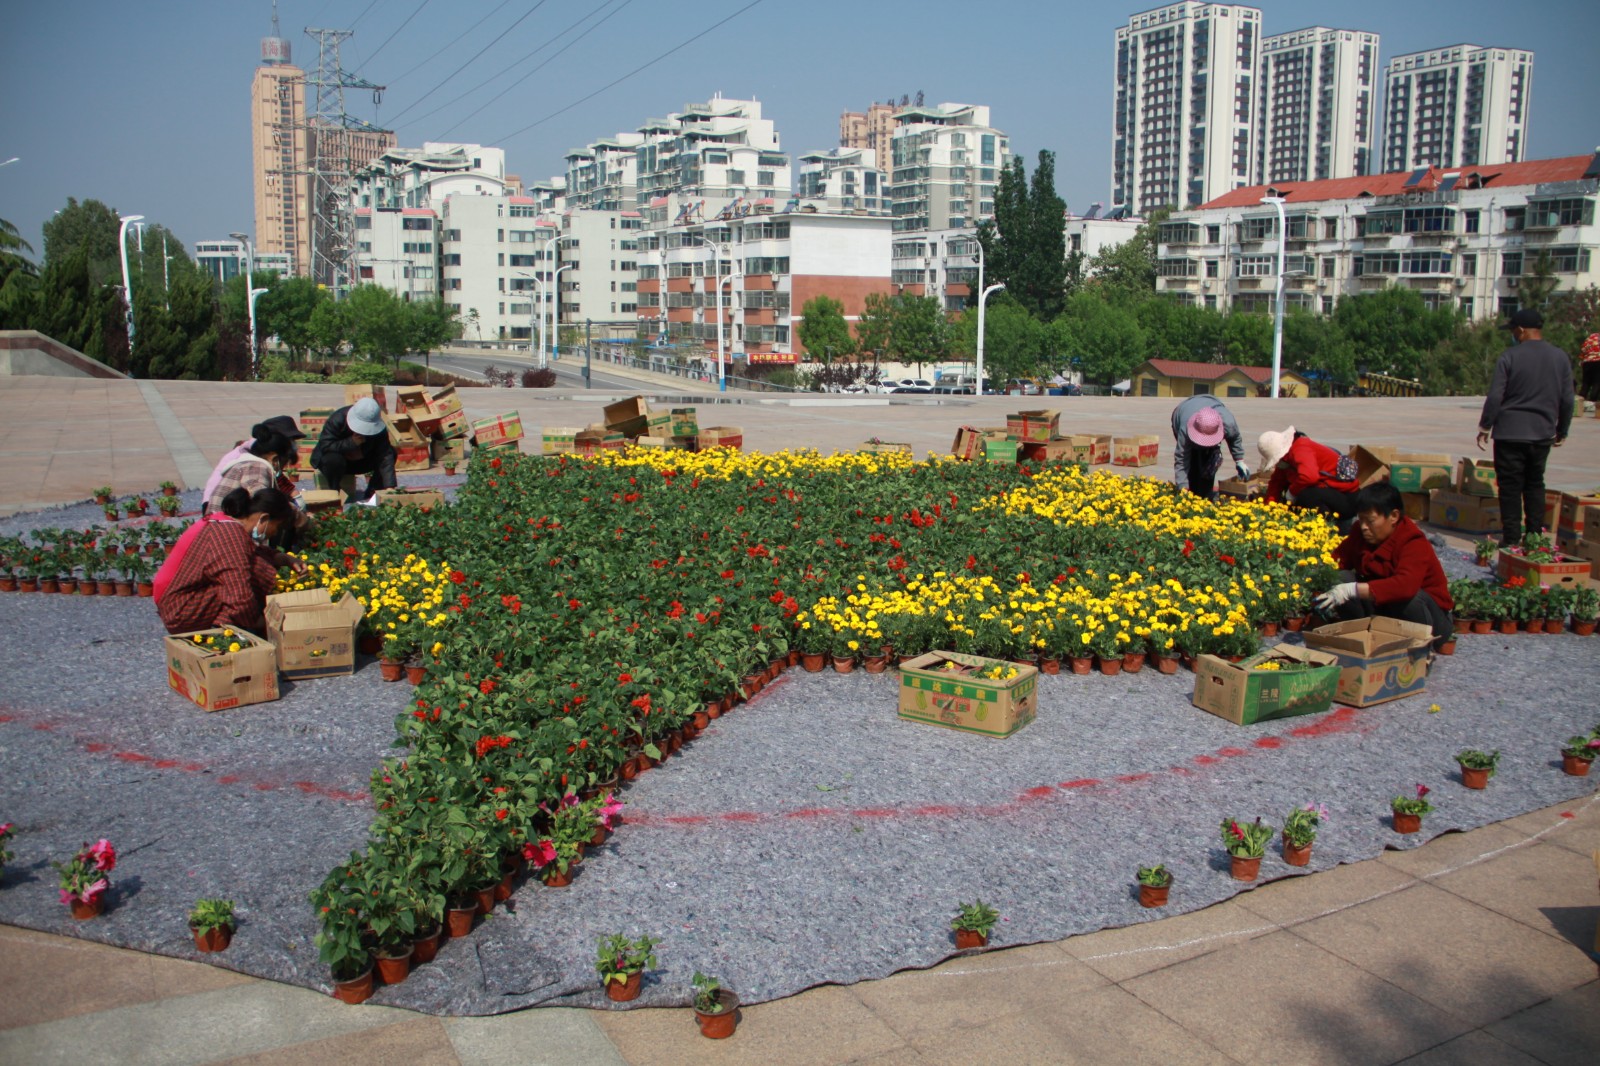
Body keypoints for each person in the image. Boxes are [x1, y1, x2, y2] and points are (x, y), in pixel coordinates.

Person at [1476, 308, 1574, 545]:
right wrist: (1562, 429)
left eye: (1512, 330)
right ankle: (1534, 537)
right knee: (1535, 483)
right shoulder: (1560, 357)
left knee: (1509, 487)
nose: (1512, 335)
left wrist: (1485, 425)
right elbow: (1568, 398)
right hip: (1542, 433)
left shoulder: (1509, 357)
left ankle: (1510, 538)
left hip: (1510, 433)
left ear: (1520, 330)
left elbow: (1496, 396)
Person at [1312, 482, 1454, 645]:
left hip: (1431, 620)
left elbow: (1405, 586)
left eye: (1370, 521)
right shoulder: (1360, 532)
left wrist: (1353, 590)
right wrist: (1318, 583)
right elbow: (1337, 560)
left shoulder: (1413, 541)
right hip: (1385, 611)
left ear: (1393, 516)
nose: (1364, 527)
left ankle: (1419, 647)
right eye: (1361, 519)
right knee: (1340, 578)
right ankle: (1359, 635)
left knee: (1411, 597)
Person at [155, 487, 304, 636]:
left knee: (256, 564)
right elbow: (239, 597)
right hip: (181, 611)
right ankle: (224, 631)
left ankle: (232, 624)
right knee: (257, 572)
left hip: (180, 602)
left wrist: (281, 557)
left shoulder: (225, 524)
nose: (275, 533)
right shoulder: (229, 536)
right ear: (264, 518)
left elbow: (252, 551)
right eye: (276, 527)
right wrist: (265, 624)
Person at [201, 415, 306, 514]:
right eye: (290, 440)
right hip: (218, 511)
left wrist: (295, 497)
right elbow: (261, 495)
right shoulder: (254, 463)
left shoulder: (261, 456)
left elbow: (279, 480)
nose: (293, 444)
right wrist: (292, 511)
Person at [1258, 426, 1359, 526]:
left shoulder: (1301, 447)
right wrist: (1270, 508)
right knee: (1294, 497)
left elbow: (1309, 477)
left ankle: (1327, 528)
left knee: (1306, 495)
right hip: (1328, 493)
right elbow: (1276, 482)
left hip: (1347, 499)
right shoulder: (1285, 459)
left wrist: (1292, 492)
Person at [309, 397, 395, 505]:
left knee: (391, 452)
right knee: (333, 459)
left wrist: (389, 486)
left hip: (360, 461)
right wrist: (351, 443)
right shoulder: (337, 419)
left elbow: (385, 454)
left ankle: (374, 490)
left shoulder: (379, 427)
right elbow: (326, 445)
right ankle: (335, 492)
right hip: (337, 462)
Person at [1170, 396, 1248, 497]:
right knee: (1193, 464)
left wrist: (1239, 460)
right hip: (1183, 411)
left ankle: (1205, 492)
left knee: (1209, 461)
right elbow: (1181, 458)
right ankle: (1195, 491)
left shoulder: (1228, 422)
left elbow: (1234, 438)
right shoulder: (1185, 429)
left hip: (1210, 403)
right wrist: (1183, 486)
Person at [1579, 332, 1599, 405]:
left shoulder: (1591, 336)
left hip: (1587, 362)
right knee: (1597, 383)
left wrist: (1582, 359)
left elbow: (1583, 349)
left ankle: (1580, 404)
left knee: (1585, 384)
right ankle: (1592, 403)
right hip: (1598, 362)